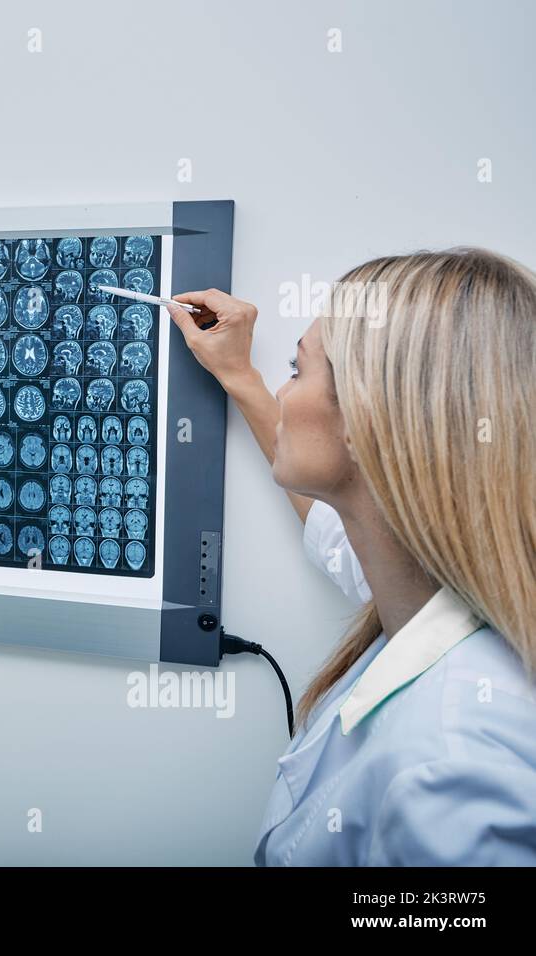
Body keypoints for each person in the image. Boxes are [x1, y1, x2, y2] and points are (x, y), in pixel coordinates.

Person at [167, 249, 536, 864]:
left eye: (297, 369)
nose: (284, 390)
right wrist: (239, 377)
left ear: (370, 417)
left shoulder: (458, 763)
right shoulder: (428, 600)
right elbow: (344, 534)